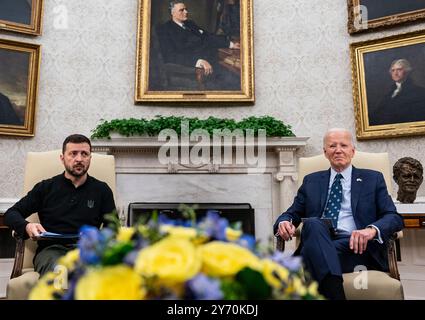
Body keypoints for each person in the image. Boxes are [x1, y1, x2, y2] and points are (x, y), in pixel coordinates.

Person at [273, 128, 404, 300]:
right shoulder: (311, 181)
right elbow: (292, 213)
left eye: (343, 145)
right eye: (332, 146)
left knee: (312, 254)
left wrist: (371, 230)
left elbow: (393, 217)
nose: (338, 150)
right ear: (325, 152)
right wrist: (284, 222)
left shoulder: (373, 179)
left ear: (352, 151)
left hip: (357, 248)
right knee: (312, 223)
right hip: (321, 238)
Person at [4, 134, 116, 276]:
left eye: (84, 154)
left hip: (88, 250)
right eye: (73, 154)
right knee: (60, 271)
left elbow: (113, 228)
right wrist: (27, 226)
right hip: (51, 251)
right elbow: (11, 214)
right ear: (62, 158)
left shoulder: (102, 190)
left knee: (94, 273)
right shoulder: (45, 188)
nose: (79, 159)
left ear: (90, 158)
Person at [156, 1, 240, 90]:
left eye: (186, 9)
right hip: (193, 69)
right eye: (182, 10)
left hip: (212, 62)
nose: (186, 12)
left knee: (235, 77)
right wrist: (198, 61)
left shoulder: (190, 24)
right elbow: (170, 55)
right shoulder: (165, 30)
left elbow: (208, 36)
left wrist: (230, 44)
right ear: (172, 13)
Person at [369, 59, 425, 126]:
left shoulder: (419, 92)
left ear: (407, 71)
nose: (395, 73)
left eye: (399, 69)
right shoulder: (388, 93)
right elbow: (377, 114)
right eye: (393, 70)